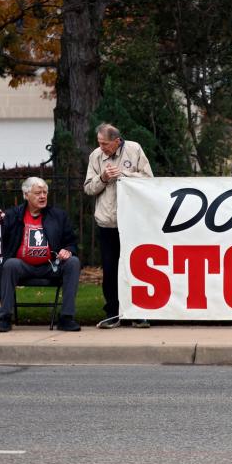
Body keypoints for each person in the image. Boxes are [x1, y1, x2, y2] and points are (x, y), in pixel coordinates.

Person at [84, 123, 154, 329]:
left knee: (135, 266)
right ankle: (112, 312)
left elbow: (149, 179)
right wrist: (103, 178)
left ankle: (138, 312)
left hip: (132, 222)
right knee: (110, 268)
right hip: (107, 222)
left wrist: (124, 175)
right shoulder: (95, 157)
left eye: (105, 143)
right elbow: (88, 188)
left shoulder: (134, 150)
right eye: (99, 143)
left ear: (117, 141)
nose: (101, 147)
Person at [0, 177, 81, 332]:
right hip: (23, 266)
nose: (42, 196)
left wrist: (68, 250)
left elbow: (72, 242)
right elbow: (0, 237)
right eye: (38, 193)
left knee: (73, 262)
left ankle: (66, 318)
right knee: (10, 264)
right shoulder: (13, 215)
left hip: (51, 265)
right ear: (26, 195)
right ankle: (4, 318)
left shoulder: (58, 216)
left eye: (45, 192)